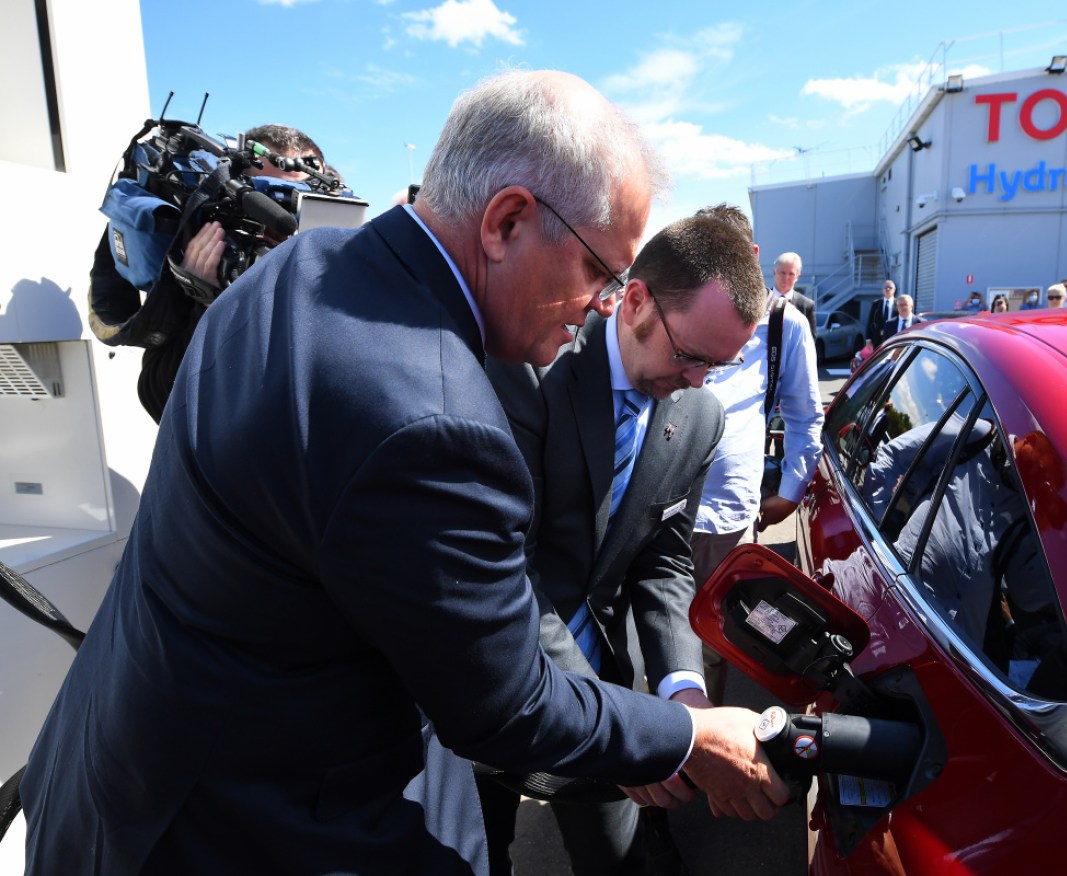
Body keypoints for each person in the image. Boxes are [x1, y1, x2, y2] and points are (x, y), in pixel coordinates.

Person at [21, 71, 786, 876]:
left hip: (115, 766)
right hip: (223, 826)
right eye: (600, 270)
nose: (603, 303)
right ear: (508, 220)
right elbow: (507, 704)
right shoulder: (434, 416)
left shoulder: (303, 261)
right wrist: (690, 735)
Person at [478, 214, 764, 876]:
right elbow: (504, 571)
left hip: (606, 690)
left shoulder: (699, 416)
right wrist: (619, 730)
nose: (698, 381)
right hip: (487, 695)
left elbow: (661, 562)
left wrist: (682, 694)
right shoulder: (528, 370)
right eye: (690, 355)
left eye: (720, 366)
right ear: (634, 299)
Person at [87, 124, 330, 422]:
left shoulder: (341, 267)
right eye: (266, 197)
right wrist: (209, 306)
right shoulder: (207, 266)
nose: (280, 222)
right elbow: (160, 402)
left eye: (295, 201)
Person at [691, 204, 824, 705]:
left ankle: (706, 739)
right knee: (664, 628)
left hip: (727, 513)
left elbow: (805, 416)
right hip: (662, 509)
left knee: (721, 632)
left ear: (752, 255)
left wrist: (791, 490)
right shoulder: (681, 305)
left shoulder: (782, 325)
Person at [772, 251, 817, 339]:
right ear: (774, 272)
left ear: (797, 276)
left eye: (791, 274)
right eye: (783, 273)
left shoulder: (806, 306)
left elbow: (810, 341)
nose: (786, 278)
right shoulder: (761, 300)